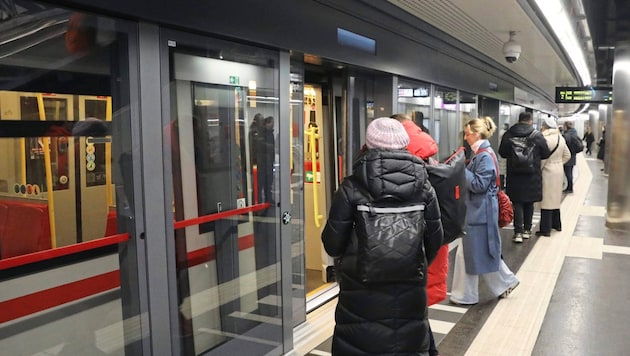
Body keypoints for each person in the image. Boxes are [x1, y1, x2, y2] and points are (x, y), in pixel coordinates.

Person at [321, 117, 443, 355]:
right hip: (410, 294)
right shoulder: (425, 187)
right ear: (404, 144)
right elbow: (435, 241)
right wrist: (410, 262)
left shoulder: (351, 188)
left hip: (361, 297)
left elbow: (332, 245)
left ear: (368, 145)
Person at [450, 117, 520, 305]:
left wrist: (461, 169)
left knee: (473, 253)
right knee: (480, 253)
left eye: (468, 134)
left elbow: (479, 185)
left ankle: (467, 294)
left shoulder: (484, 156)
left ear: (477, 134)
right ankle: (502, 283)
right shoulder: (482, 154)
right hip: (480, 211)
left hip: (479, 212)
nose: (466, 137)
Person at [391, 113, 443, 356]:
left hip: (397, 253)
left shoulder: (403, 152)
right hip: (419, 250)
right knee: (416, 308)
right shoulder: (427, 146)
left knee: (402, 311)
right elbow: (435, 233)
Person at [499, 112, 551, 243]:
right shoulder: (537, 135)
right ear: (530, 121)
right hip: (532, 175)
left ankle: (518, 233)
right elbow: (545, 153)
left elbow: (502, 153)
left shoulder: (509, 134)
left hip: (514, 174)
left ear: (518, 120)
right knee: (529, 202)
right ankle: (527, 230)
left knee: (517, 203)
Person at [537, 117, 570, 236]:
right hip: (558, 171)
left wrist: (539, 169)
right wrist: (559, 164)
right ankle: (557, 224)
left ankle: (545, 229)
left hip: (548, 171)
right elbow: (567, 155)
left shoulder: (545, 139)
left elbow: (543, 158)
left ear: (545, 127)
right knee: (555, 199)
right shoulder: (560, 138)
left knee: (546, 200)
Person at [562, 121, 580, 193]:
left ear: (566, 126)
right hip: (573, 155)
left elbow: (565, 145)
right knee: (570, 172)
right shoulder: (574, 133)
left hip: (568, 156)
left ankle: (570, 188)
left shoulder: (567, 135)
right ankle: (570, 187)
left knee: (568, 173)